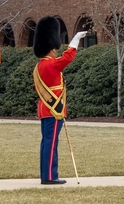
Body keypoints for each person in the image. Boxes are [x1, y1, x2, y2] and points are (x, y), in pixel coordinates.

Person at [32, 16, 87, 185]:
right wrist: (74, 42)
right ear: (51, 46)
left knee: (46, 142)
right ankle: (49, 176)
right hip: (53, 110)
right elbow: (67, 59)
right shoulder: (50, 64)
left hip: (45, 109)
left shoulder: (40, 65)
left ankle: (47, 174)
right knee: (51, 143)